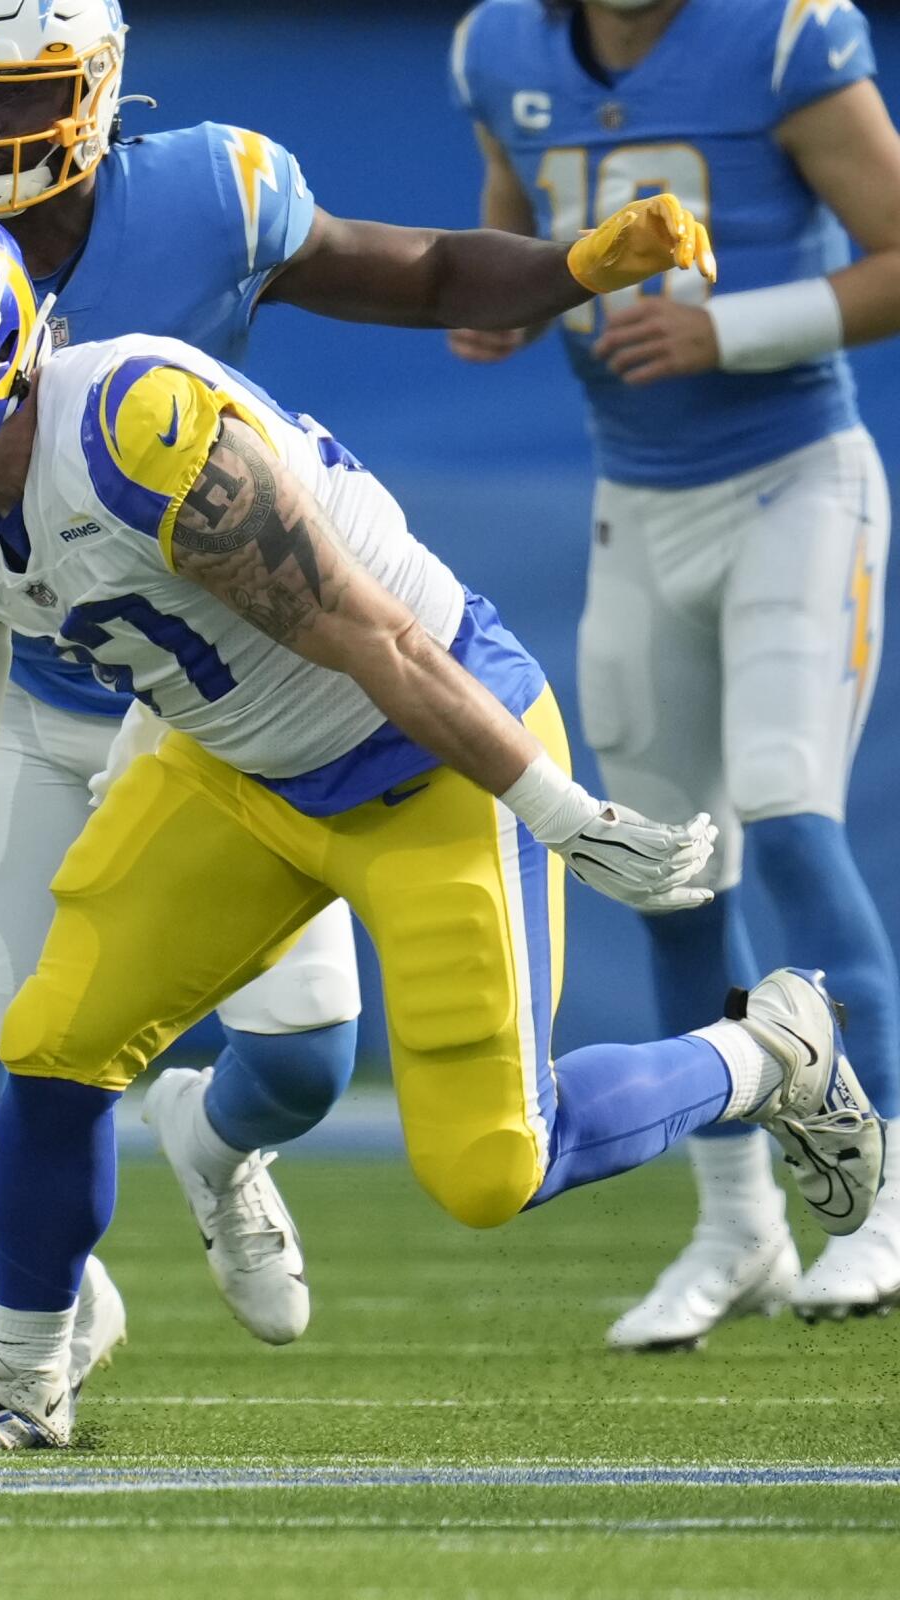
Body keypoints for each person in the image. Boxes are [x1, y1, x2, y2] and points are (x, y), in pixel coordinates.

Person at [0, 198, 880, 1451]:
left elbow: (383, 642)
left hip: (432, 757)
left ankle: (773, 1051)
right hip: (232, 767)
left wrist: (561, 811)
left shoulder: (140, 434)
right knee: (54, 1040)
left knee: (491, 1169)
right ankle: (22, 1384)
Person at [0, 0, 721, 1369]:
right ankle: (48, 1318)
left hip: (239, 683)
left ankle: (216, 1151)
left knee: (298, 1062)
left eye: (20, 94)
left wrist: (574, 267)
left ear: (99, 87)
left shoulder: (202, 214)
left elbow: (424, 276)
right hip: (45, 681)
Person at [450, 0, 900, 1343]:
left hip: (793, 484)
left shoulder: (782, 39)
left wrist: (731, 327)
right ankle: (738, 1222)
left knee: (785, 807)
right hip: (635, 508)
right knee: (666, 863)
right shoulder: (501, 51)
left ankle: (884, 1198)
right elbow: (520, 236)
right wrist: (511, 310)